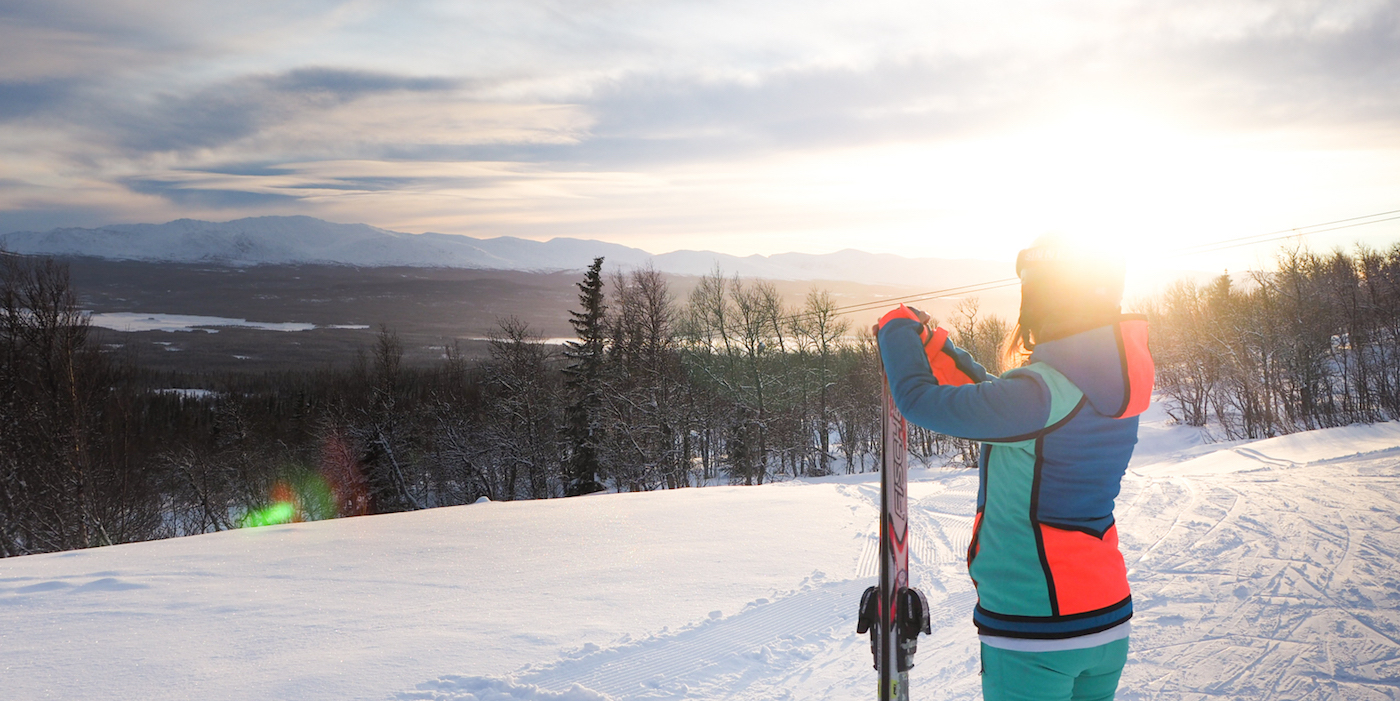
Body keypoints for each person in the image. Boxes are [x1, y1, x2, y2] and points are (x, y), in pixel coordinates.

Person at [873, 236, 1154, 701]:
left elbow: (920, 401)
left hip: (1037, 626)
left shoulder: (1040, 395)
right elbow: (1001, 404)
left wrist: (896, 331)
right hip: (1105, 618)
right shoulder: (1107, 382)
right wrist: (939, 349)